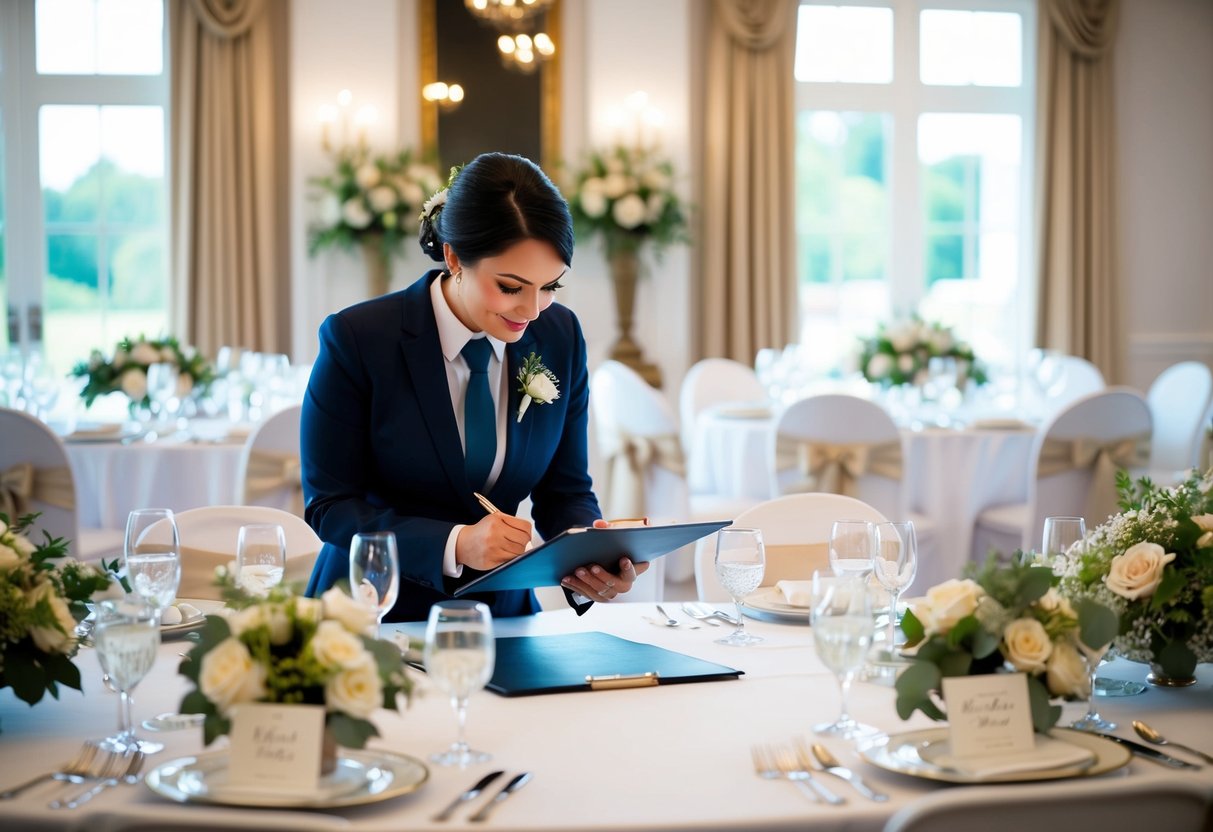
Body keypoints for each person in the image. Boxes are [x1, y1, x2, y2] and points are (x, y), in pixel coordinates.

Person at [302, 152, 648, 621]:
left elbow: (564, 491)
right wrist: (456, 543)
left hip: (502, 617)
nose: (531, 310)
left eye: (551, 287)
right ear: (454, 256)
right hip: (370, 614)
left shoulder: (560, 336)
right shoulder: (359, 339)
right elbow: (330, 505)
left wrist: (591, 557)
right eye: (510, 287)